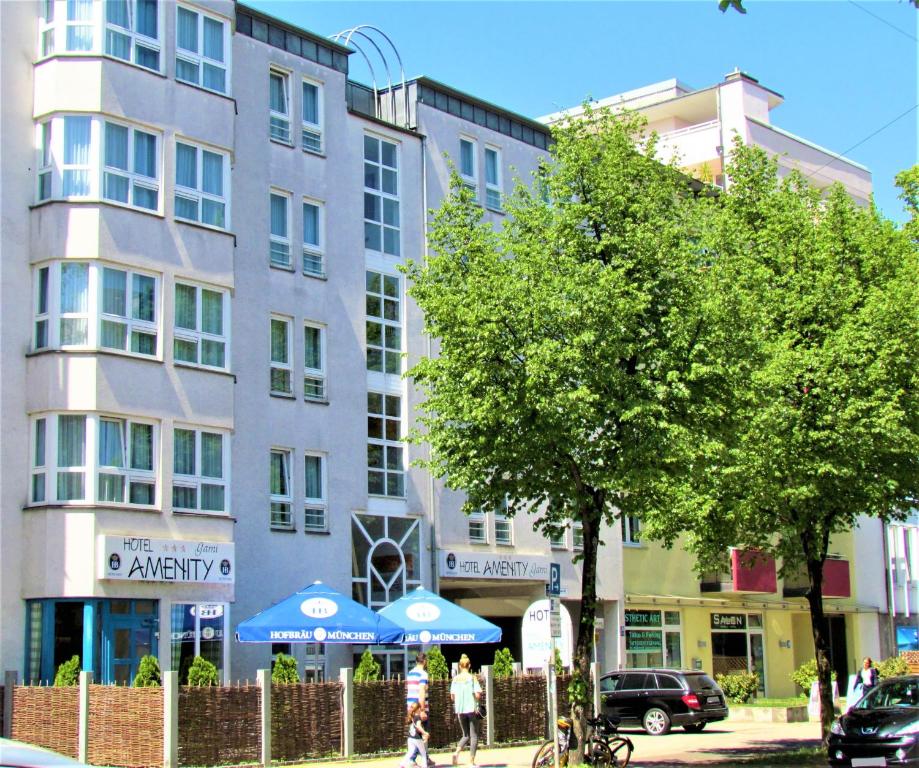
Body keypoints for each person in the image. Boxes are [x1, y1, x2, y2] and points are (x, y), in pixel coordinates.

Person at [449, 654, 482, 768]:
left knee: (465, 735)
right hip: (471, 709)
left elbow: (452, 697)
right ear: (469, 665)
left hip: (460, 710)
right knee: (474, 736)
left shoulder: (455, 679)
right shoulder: (472, 677)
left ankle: (456, 753)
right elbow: (478, 695)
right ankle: (471, 762)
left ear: (459, 666)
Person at [406, 652, 435, 767]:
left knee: (414, 731)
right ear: (425, 661)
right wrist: (422, 709)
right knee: (423, 734)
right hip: (419, 706)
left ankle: (424, 757)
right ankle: (414, 759)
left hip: (411, 706)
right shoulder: (423, 674)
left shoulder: (410, 673)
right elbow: (421, 691)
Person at [400, 701, 430, 768]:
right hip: (417, 738)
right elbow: (418, 726)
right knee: (423, 753)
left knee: (410, 752)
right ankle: (424, 766)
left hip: (410, 738)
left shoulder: (412, 717)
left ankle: (402, 764)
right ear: (418, 709)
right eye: (420, 709)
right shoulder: (418, 717)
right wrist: (425, 733)